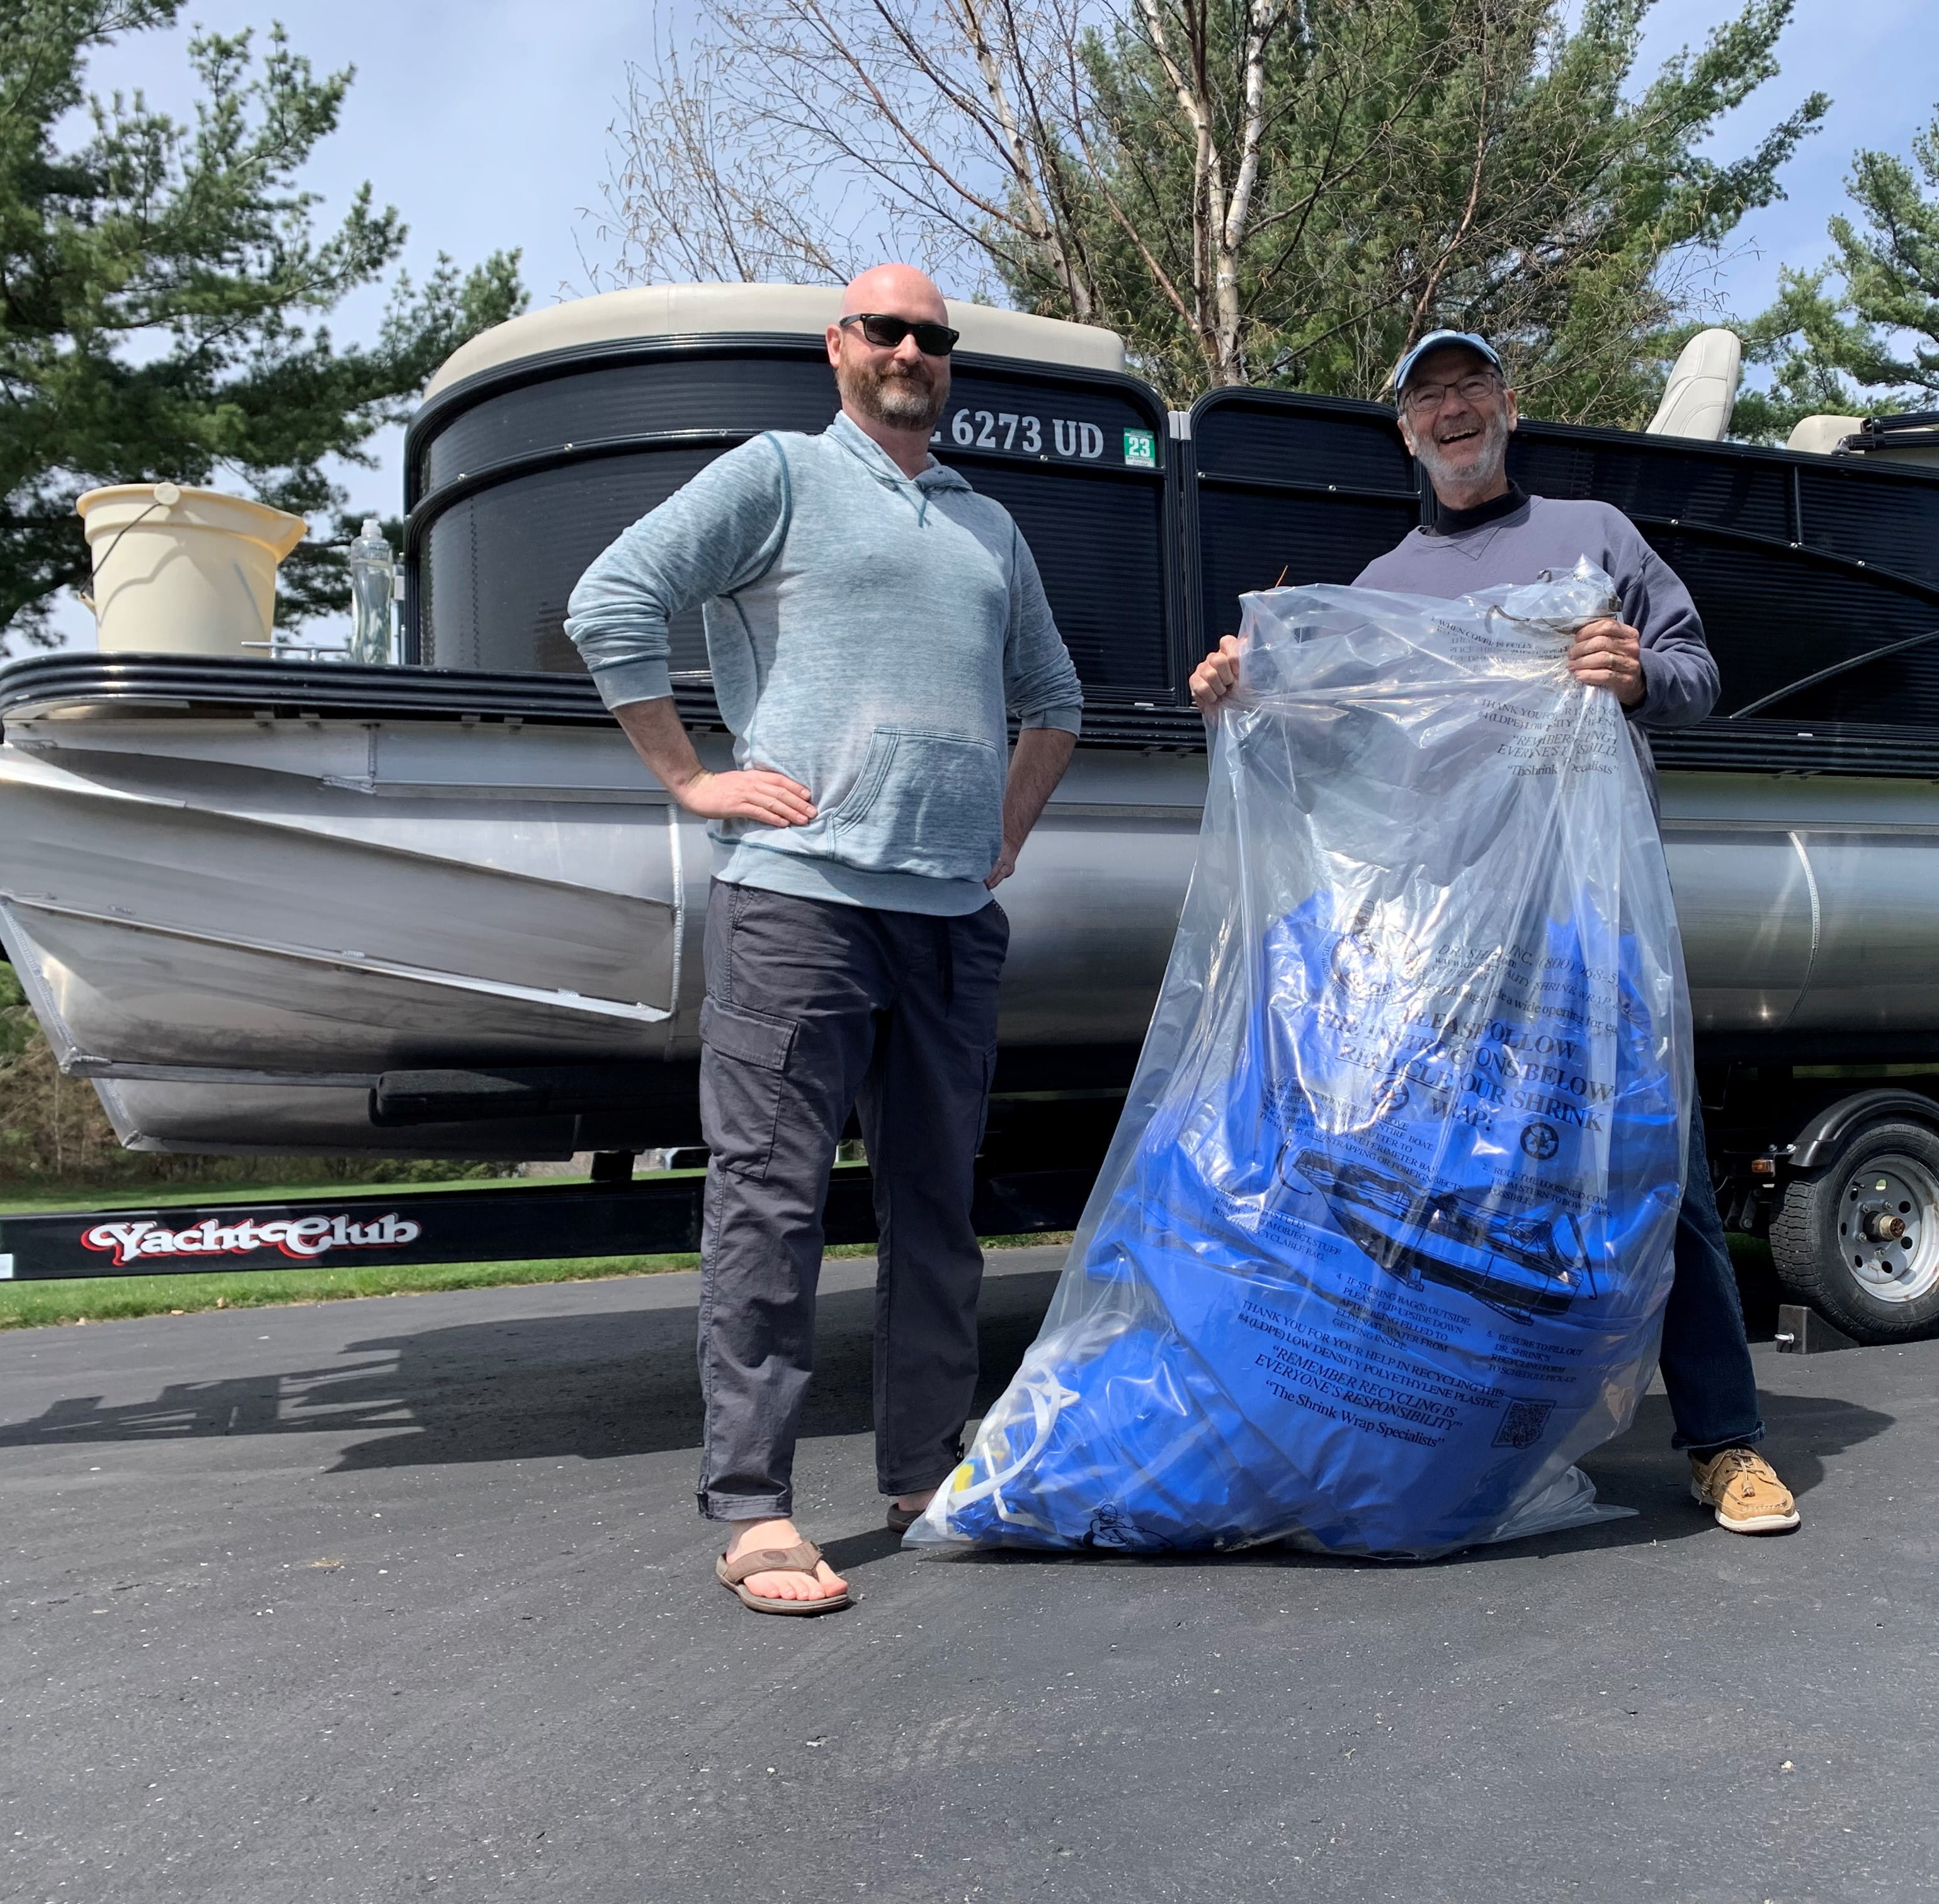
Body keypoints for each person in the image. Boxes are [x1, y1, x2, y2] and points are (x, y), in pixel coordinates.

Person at [1188, 329, 1799, 1536]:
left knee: (1646, 1167)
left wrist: (1635, 675)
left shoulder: (1595, 537)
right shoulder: (1372, 591)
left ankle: (1725, 1442)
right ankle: (1459, 1439)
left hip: (1588, 918)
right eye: (1429, 396)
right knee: (1440, 1184)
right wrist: (1246, 693)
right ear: (1407, 432)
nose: (1453, 410)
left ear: (1508, 408)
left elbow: (1697, 672)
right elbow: (1337, 749)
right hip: (1439, 938)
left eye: (1471, 387)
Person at [566, 263, 1084, 1613]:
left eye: (933, 336)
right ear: (839, 348)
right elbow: (612, 600)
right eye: (887, 330)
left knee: (937, 1216)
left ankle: (926, 1473)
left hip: (950, 923)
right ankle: (753, 1508)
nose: (912, 349)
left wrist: (1006, 835)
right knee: (770, 1203)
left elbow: (1056, 699)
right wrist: (692, 778)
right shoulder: (779, 475)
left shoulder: (987, 526)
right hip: (798, 903)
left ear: (946, 361)